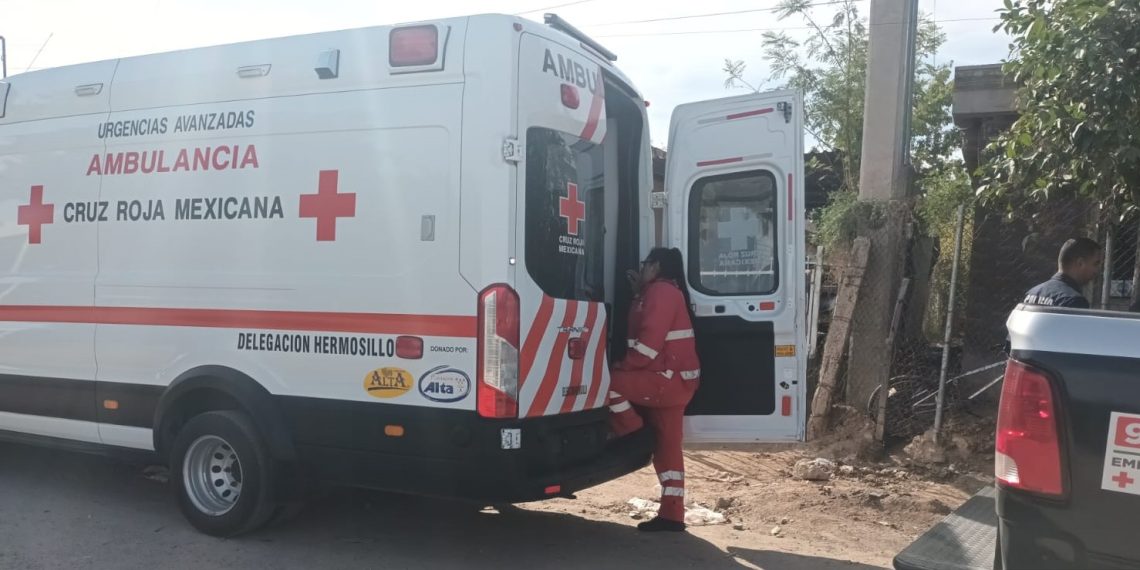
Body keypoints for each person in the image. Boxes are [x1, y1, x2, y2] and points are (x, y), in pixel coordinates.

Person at [606, 247, 701, 533]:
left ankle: (632, 430)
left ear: (656, 266)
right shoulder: (662, 292)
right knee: (669, 449)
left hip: (665, 381)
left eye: (645, 264)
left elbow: (647, 345)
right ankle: (672, 514)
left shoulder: (660, 292)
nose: (643, 268)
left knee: (607, 384)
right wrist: (638, 292)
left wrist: (623, 366)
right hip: (676, 381)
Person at [1022, 237, 1103, 309]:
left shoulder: (1032, 293)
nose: (1098, 270)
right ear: (1080, 263)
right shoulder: (1073, 301)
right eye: (1096, 264)